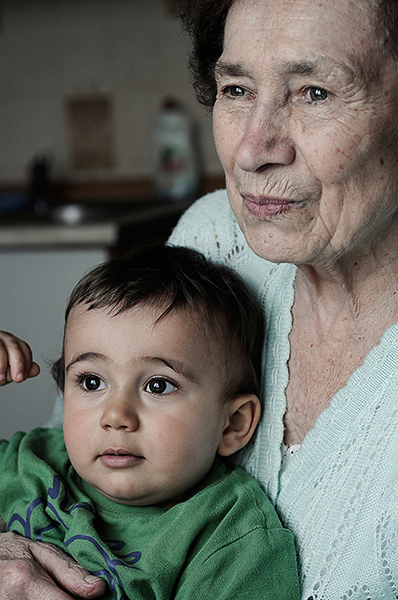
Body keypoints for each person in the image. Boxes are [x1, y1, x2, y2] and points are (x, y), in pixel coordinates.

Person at [2, 0, 398, 597]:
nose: (250, 150)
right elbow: (66, 452)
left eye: (314, 92)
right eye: (236, 89)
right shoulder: (215, 237)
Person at [0, 244, 299, 600]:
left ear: (232, 424)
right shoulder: (29, 461)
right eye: (92, 382)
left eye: (158, 386)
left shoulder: (231, 539)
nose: (116, 416)